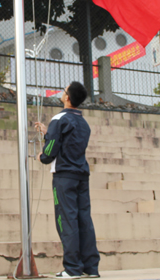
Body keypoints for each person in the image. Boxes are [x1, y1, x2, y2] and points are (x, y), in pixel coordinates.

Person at [35, 81, 100, 279]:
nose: (62, 93)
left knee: (66, 220)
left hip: (64, 176)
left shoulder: (59, 118)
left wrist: (42, 156)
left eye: (64, 91)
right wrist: (49, 133)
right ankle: (91, 268)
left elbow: (50, 152)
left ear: (68, 98)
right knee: (84, 220)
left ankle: (72, 268)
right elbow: (65, 141)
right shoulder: (83, 122)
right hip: (81, 174)